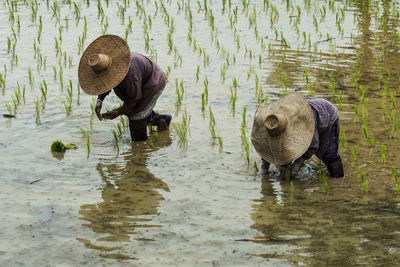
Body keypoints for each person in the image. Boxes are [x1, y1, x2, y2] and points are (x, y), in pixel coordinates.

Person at [78, 34, 171, 141]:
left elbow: (135, 97)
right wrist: (100, 101)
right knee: (135, 109)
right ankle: (162, 120)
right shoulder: (109, 66)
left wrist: (118, 112)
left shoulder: (130, 73)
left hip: (153, 83)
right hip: (141, 82)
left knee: (136, 115)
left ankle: (140, 149)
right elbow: (105, 82)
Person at [251, 92, 344, 178]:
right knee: (284, 151)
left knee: (329, 155)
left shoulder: (301, 124)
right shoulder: (272, 123)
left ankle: (337, 181)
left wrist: (297, 164)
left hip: (326, 114)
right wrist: (264, 170)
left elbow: (314, 144)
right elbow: (266, 149)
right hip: (301, 111)